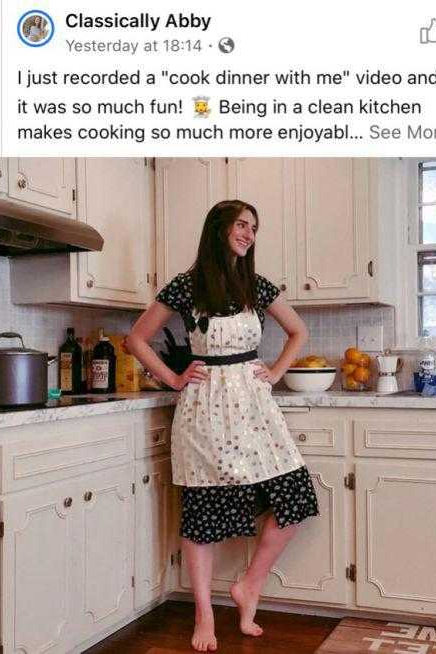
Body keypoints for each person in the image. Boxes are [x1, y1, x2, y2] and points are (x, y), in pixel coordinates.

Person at [127, 200, 318, 652]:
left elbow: (299, 332)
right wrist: (173, 378)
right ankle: (203, 613)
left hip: (253, 407)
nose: (249, 234)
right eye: (241, 225)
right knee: (203, 515)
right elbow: (135, 338)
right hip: (205, 408)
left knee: (295, 497)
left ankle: (249, 586)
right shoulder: (186, 286)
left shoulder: (257, 285)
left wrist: (274, 372)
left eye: (255, 227)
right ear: (218, 228)